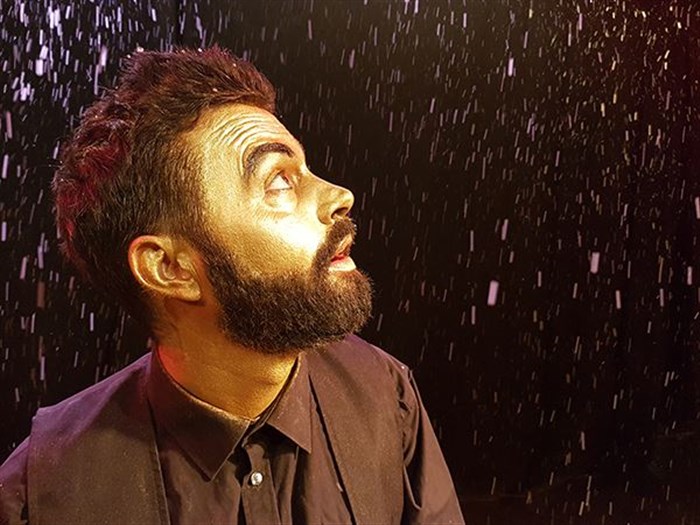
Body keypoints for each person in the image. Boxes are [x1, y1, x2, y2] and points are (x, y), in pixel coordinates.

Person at [0, 46, 464, 525]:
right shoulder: (43, 493)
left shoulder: (385, 395)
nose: (339, 196)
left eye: (305, 170)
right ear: (170, 268)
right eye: (278, 182)